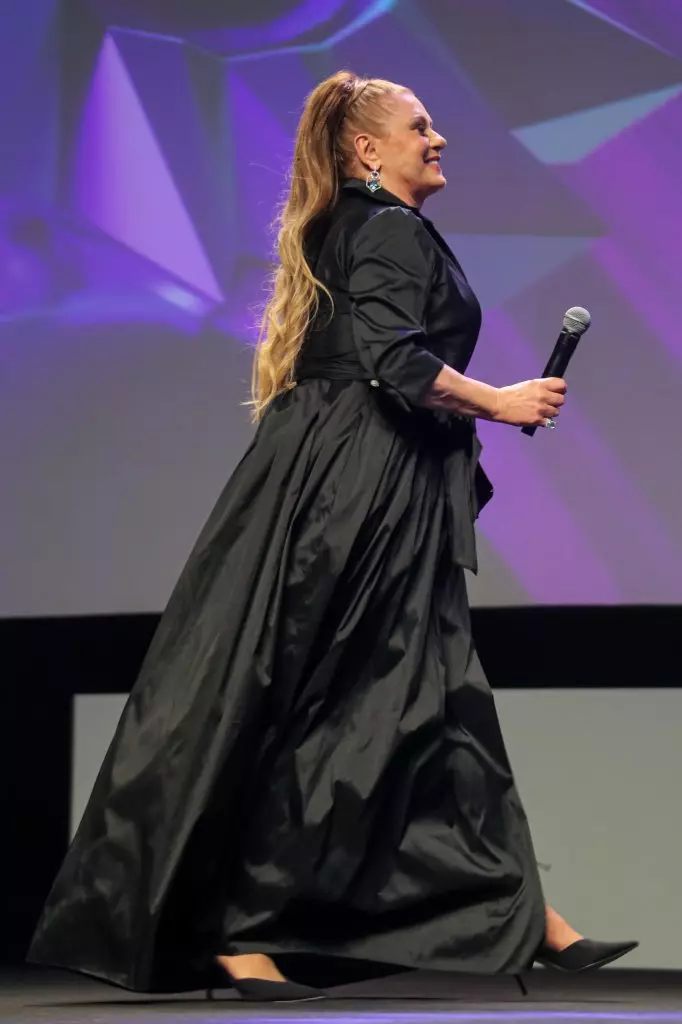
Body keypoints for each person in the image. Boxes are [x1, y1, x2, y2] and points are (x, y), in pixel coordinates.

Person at [28, 70, 637, 1001]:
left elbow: (386, 356)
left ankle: (526, 916)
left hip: (372, 483)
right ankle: (243, 932)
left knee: (435, 703)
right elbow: (398, 361)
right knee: (339, 707)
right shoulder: (384, 227)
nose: (439, 139)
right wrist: (501, 402)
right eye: (420, 127)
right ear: (366, 151)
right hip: (356, 490)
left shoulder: (370, 227)